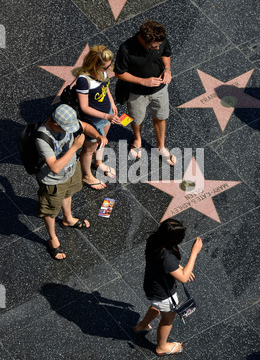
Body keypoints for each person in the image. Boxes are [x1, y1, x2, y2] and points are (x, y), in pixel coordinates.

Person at [35, 104, 107, 260]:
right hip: (53, 181)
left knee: (68, 194)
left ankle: (68, 219)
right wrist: (75, 148)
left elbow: (85, 126)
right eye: (67, 128)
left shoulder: (66, 123)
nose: (72, 131)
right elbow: (54, 167)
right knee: (50, 210)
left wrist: (98, 136)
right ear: (55, 124)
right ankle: (53, 238)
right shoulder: (43, 138)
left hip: (71, 170)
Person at [133, 219, 203, 356]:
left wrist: (180, 268)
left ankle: (141, 326)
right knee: (167, 319)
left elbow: (167, 267)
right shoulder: (167, 257)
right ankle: (162, 347)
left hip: (152, 287)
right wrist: (194, 252)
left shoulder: (153, 240)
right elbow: (183, 278)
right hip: (164, 294)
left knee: (157, 306)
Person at [114, 20, 176, 165]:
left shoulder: (160, 40)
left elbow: (166, 53)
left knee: (161, 117)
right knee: (136, 119)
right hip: (136, 93)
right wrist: (143, 81)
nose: (158, 47)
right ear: (144, 41)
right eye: (155, 46)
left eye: (159, 44)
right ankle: (137, 139)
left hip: (160, 89)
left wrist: (167, 69)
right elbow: (119, 73)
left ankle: (161, 146)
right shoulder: (126, 49)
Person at [73, 45, 121, 190]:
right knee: (89, 149)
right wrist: (107, 115)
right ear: (94, 65)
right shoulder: (83, 80)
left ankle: (98, 162)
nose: (107, 70)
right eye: (105, 67)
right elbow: (84, 107)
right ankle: (86, 175)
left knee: (102, 141)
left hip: (106, 115)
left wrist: (111, 103)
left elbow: (105, 88)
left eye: (108, 66)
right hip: (93, 120)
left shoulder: (102, 72)